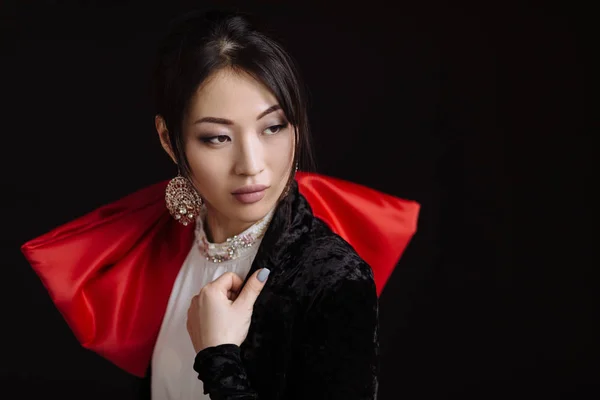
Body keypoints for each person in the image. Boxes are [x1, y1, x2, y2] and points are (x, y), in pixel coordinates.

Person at [21, 9, 420, 400]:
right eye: (217, 137)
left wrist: (219, 357)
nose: (251, 165)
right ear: (167, 139)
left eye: (273, 127)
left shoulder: (332, 279)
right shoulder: (163, 249)